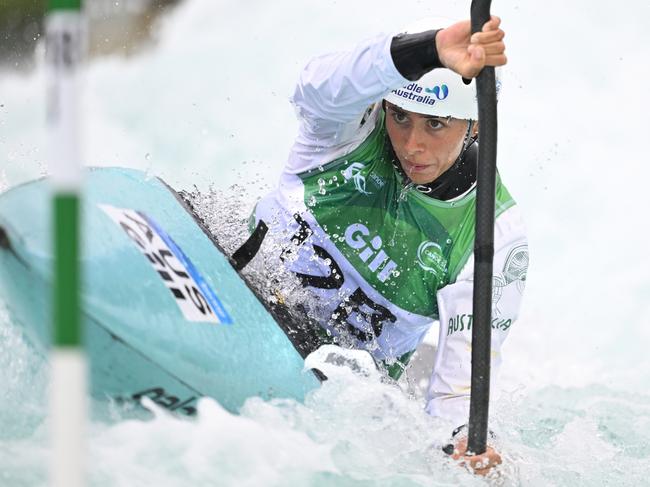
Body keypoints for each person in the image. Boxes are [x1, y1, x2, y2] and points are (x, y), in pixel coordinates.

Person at [242, 15, 527, 475]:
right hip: (238, 292)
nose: (412, 144)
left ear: (473, 127)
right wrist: (428, 49)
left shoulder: (493, 231)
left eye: (436, 124)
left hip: (332, 387)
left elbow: (458, 393)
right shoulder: (347, 129)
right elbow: (315, 84)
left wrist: (466, 446)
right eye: (401, 117)